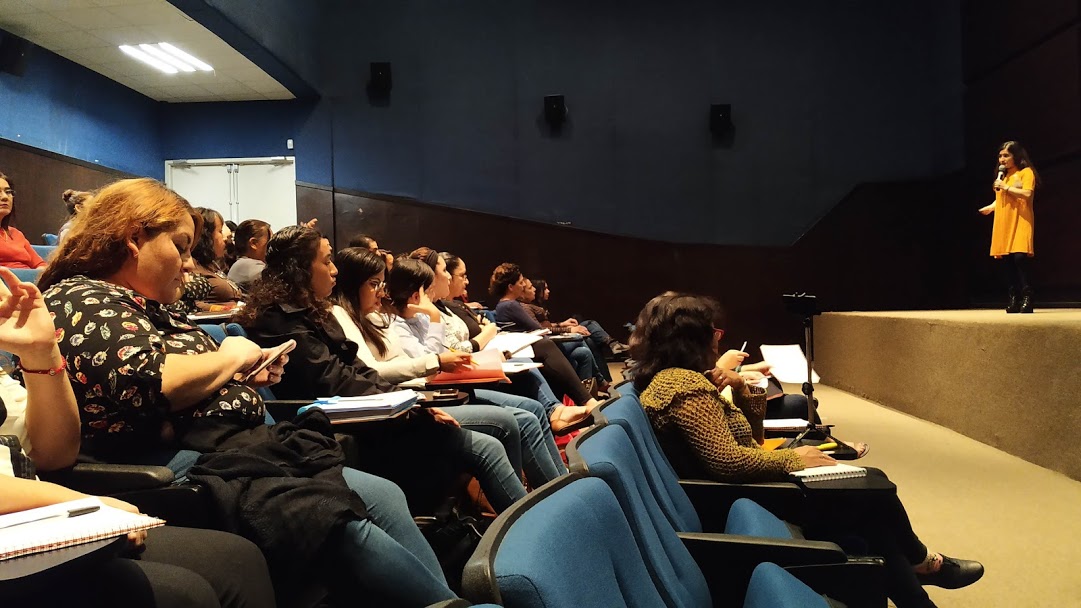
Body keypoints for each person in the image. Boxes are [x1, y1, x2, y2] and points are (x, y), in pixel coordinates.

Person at [36, 178, 460, 606]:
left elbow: (183, 377)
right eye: (181, 247)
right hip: (190, 463)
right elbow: (146, 383)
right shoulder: (80, 297)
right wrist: (231, 357)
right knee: (336, 519)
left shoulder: (151, 305)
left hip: (244, 447)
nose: (188, 264)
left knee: (383, 494)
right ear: (133, 238)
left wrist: (237, 377)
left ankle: (443, 597)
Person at [630, 292, 983, 608]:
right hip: (736, 496)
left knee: (872, 511)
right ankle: (922, 561)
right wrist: (793, 458)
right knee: (873, 485)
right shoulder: (682, 387)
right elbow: (729, 462)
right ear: (693, 338)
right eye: (714, 332)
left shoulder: (681, 380)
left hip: (745, 489)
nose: (718, 341)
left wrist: (740, 387)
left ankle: (920, 583)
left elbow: (748, 441)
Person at [0, 265, 276, 608]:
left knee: (239, 560)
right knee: (185, 593)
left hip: (23, 521)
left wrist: (41, 353)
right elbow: (155, 385)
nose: (187, 264)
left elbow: (53, 455)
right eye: (179, 245)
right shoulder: (87, 299)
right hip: (23, 524)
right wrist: (74, 501)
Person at [237, 226, 528, 513]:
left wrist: (410, 402)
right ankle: (524, 535)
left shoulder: (312, 312)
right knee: (491, 441)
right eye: (326, 261)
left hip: (372, 412)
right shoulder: (281, 319)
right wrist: (412, 407)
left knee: (498, 432)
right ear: (299, 269)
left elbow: (358, 370)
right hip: (341, 427)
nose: (334, 270)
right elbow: (336, 382)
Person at [330, 248, 567, 487]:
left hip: (425, 393)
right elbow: (420, 362)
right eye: (374, 284)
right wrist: (436, 329)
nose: (381, 292)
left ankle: (560, 484)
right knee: (514, 421)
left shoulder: (383, 317)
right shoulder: (363, 316)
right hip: (419, 397)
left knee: (530, 407)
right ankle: (542, 497)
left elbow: (431, 359)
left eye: (382, 284)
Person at [445, 253, 601, 423]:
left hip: (495, 347)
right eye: (462, 275)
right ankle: (581, 401)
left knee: (578, 347)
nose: (528, 286)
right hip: (480, 358)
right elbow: (537, 328)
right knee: (559, 346)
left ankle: (579, 400)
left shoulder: (454, 306)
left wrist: (487, 328)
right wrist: (488, 329)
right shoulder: (508, 305)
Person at [491, 262, 608, 394]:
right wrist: (568, 330)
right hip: (531, 349)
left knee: (583, 353)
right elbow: (537, 328)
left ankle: (588, 391)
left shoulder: (504, 305)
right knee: (579, 339)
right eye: (520, 282)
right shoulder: (511, 305)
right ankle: (595, 385)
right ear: (511, 287)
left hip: (532, 346)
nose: (523, 285)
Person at [978, 141, 1038, 313]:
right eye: (1000, 156)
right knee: (1007, 261)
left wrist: (1006, 187)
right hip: (1004, 221)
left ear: (1016, 156)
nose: (1002, 159)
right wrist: (991, 207)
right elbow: (1002, 199)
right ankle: (1014, 297)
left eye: (1006, 155)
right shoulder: (1002, 176)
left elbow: (1027, 194)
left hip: (1020, 220)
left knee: (1019, 257)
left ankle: (1028, 295)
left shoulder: (1026, 173)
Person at [528, 278, 629, 356]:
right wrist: (569, 329)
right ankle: (612, 345)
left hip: (553, 335)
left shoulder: (539, 306)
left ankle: (603, 380)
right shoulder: (529, 307)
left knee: (590, 326)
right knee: (589, 335)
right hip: (550, 340)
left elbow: (545, 325)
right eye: (545, 288)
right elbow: (542, 328)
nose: (548, 291)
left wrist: (562, 323)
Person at [0, 172, 46, 269]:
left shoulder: (16, 234)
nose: (5, 197)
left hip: (32, 282)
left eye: (8, 192)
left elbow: (40, 265)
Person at [226, 219, 271, 288]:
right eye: (269, 241)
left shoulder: (241, 264)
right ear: (253, 243)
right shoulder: (253, 267)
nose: (272, 246)